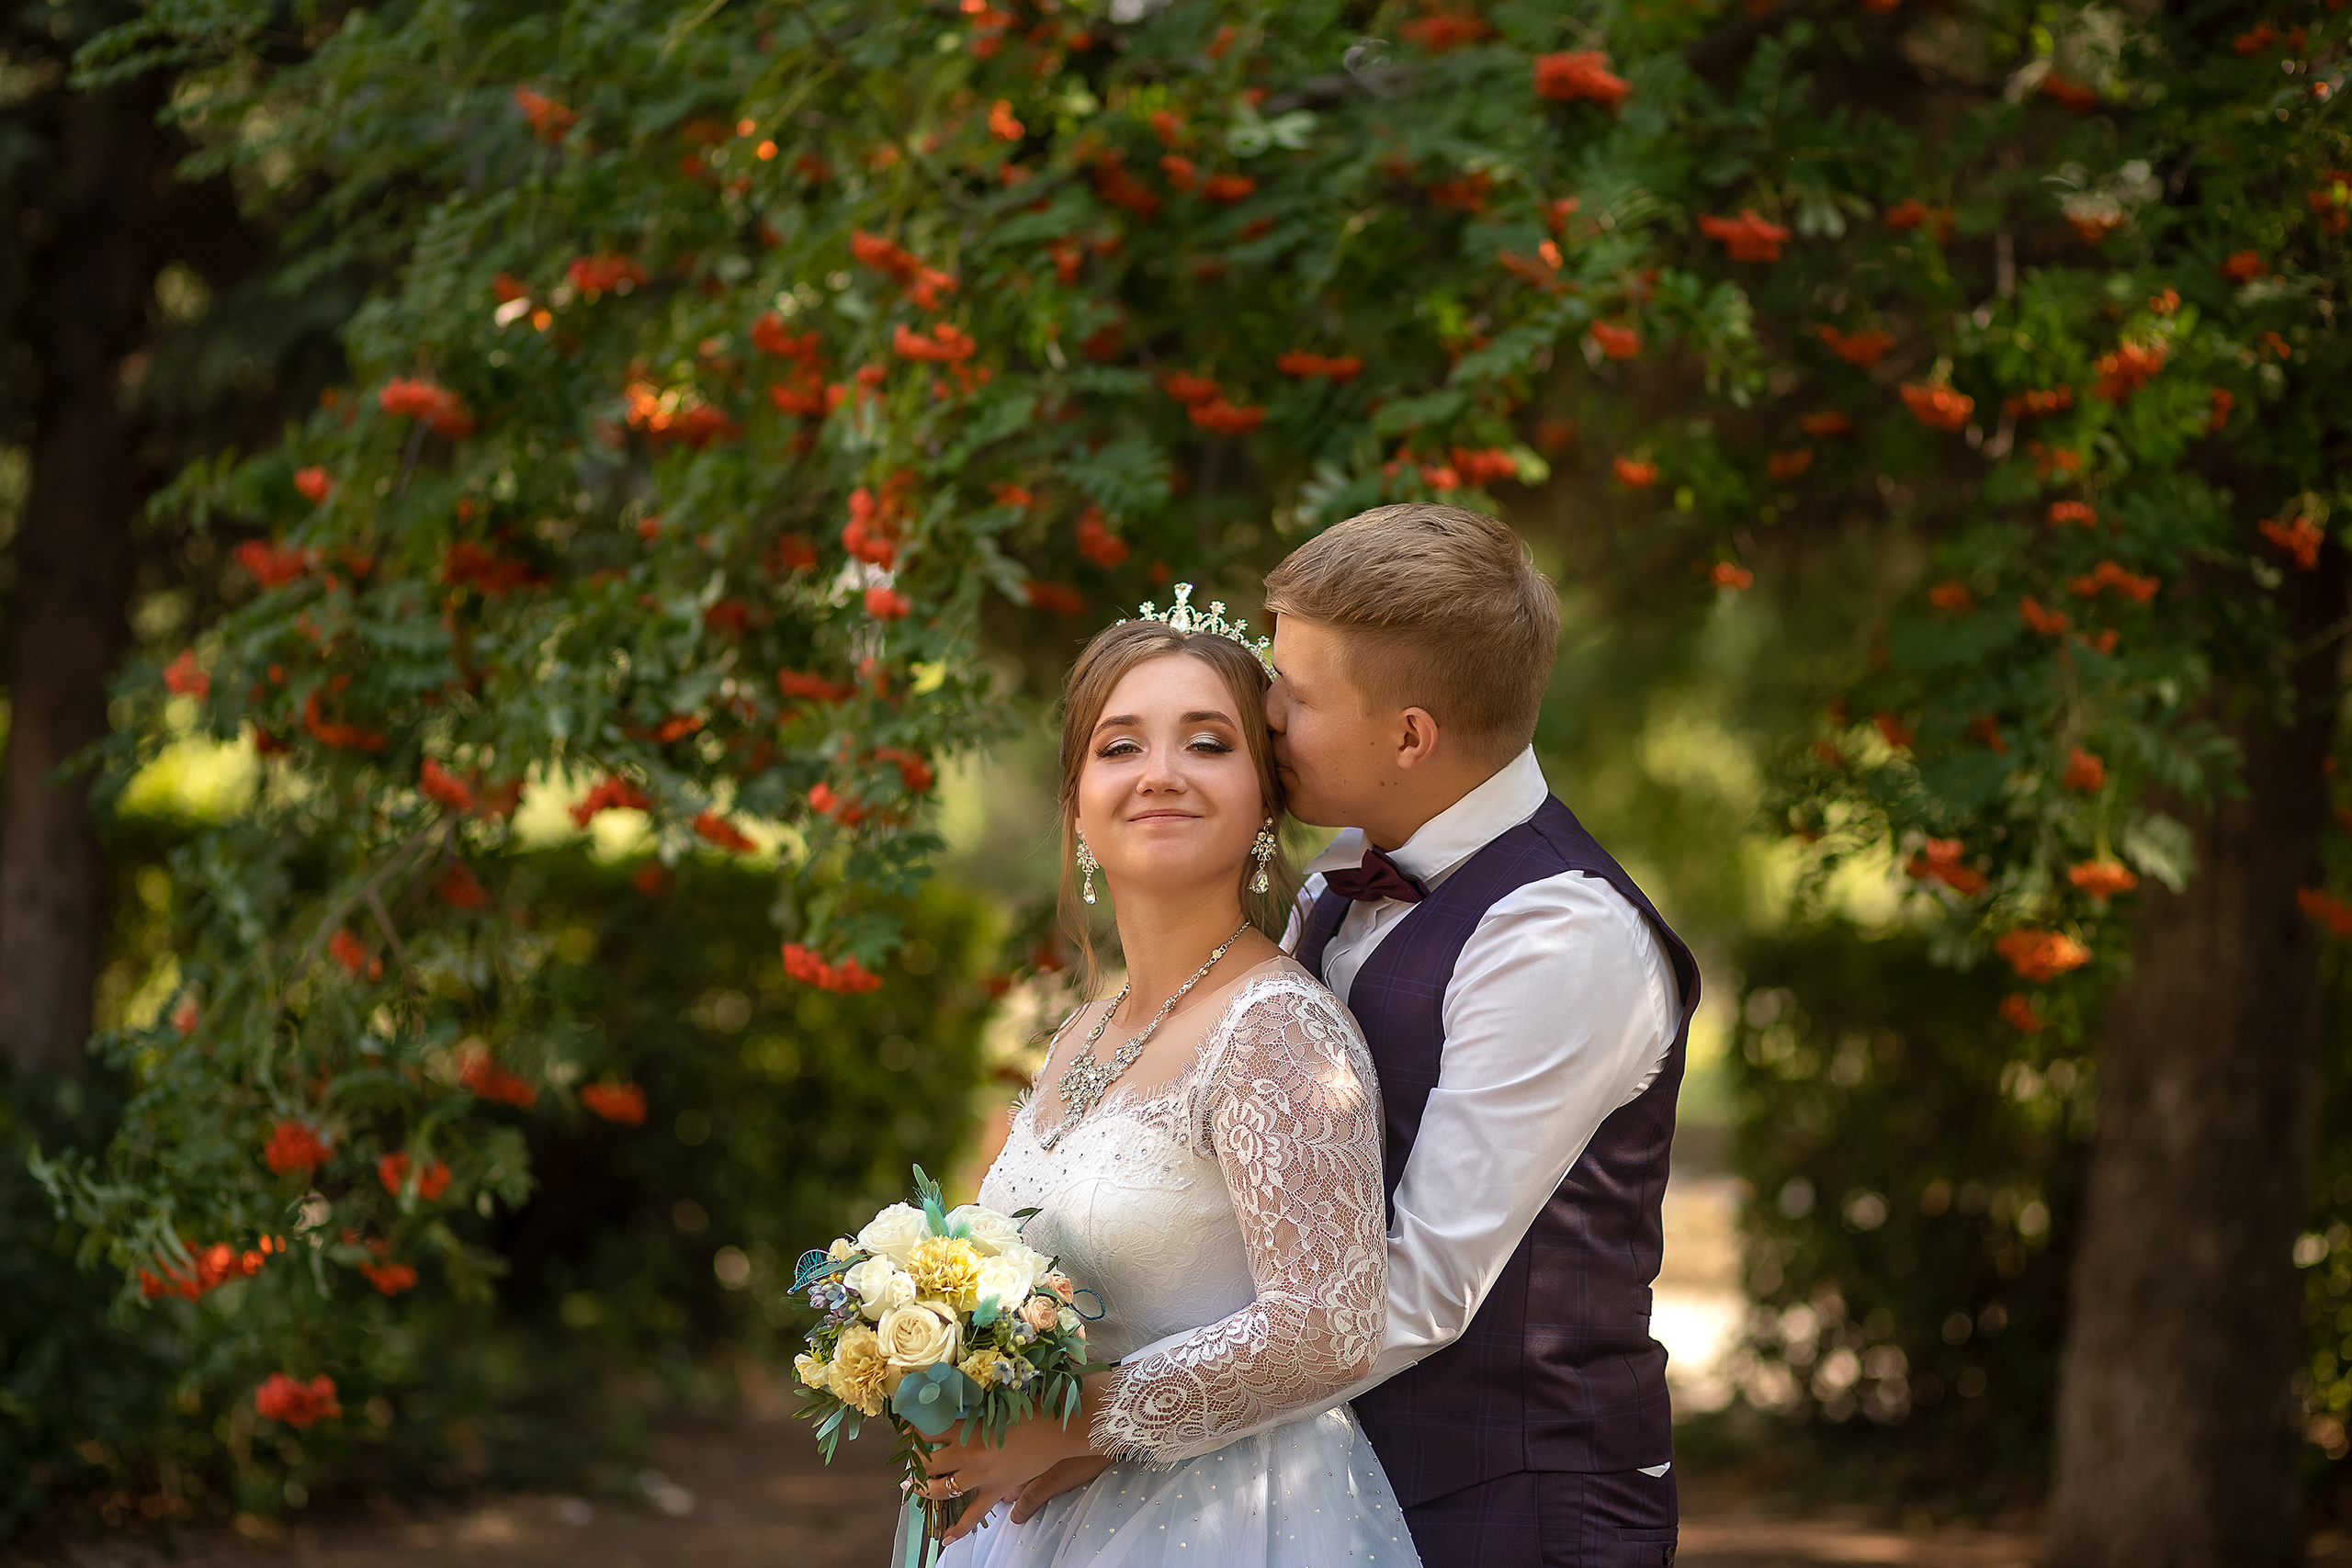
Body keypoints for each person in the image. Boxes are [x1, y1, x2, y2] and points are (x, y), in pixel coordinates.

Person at [1008, 503, 1698, 1567]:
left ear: (1408, 736)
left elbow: (1414, 1289)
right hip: (1311, 1487)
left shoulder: (1562, 939)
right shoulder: (1335, 877)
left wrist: (1099, 1419)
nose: (1267, 712)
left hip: (1513, 1509)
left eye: (1294, 693)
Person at [908, 601, 1423, 1567]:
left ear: (1264, 799)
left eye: (1206, 742)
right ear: (1075, 801)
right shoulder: (1078, 1033)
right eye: (1119, 746)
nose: (1160, 774)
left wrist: (1080, 1422)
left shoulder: (1277, 1029)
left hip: (1224, 1521)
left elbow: (1330, 1327)